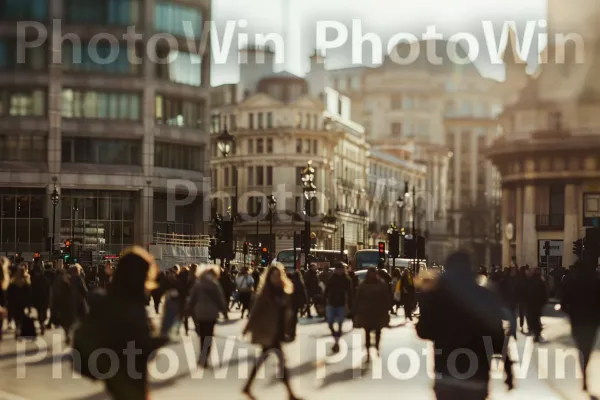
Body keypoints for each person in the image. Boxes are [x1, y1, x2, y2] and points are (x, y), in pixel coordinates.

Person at [416, 252, 504, 400]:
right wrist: (508, 370)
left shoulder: (438, 295)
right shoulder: (485, 294)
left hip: (446, 375)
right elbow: (498, 339)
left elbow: (423, 331)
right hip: (477, 378)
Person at [242, 263, 301, 400]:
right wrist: (247, 329)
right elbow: (255, 312)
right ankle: (290, 394)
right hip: (268, 331)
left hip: (279, 330)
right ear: (268, 277)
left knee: (264, 359)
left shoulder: (283, 291)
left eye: (277, 275)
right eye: (273, 275)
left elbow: (287, 312)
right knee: (280, 361)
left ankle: (247, 387)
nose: (275, 278)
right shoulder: (265, 293)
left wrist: (290, 329)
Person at [561, 260, 600, 392]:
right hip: (592, 320)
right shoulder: (595, 280)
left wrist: (568, 310)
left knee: (581, 347)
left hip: (577, 319)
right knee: (588, 347)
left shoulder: (571, 281)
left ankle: (583, 372)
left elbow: (564, 302)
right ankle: (585, 369)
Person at [188, 264, 228, 368]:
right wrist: (224, 311)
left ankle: (201, 356)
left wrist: (188, 310)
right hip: (211, 313)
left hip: (199, 312)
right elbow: (220, 298)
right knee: (209, 336)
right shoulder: (214, 284)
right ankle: (206, 357)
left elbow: (192, 298)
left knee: (201, 335)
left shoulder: (198, 283)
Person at [353, 267, 391, 363]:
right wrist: (355, 311)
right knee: (367, 333)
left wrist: (387, 309)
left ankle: (377, 348)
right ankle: (368, 352)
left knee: (378, 332)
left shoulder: (381, 284)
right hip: (366, 313)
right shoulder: (363, 285)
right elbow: (358, 298)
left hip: (378, 312)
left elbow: (386, 297)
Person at [324, 262, 353, 353]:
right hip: (331, 303)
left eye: (340, 269)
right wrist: (324, 300)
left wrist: (349, 305)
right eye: (337, 269)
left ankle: (336, 342)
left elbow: (350, 293)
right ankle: (335, 337)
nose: (338, 271)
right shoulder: (332, 278)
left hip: (341, 304)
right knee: (330, 323)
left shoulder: (346, 279)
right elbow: (327, 290)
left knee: (340, 324)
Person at [6, 264, 31, 340]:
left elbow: (8, 295)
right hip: (22, 303)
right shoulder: (26, 283)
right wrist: (29, 306)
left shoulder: (13, 283)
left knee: (16, 317)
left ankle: (17, 329)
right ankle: (18, 328)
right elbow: (29, 295)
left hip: (14, 303)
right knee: (20, 317)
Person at [525, 267, 548, 342]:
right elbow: (544, 292)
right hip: (537, 303)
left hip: (531, 302)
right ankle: (537, 332)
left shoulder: (530, 280)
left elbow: (526, 291)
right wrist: (543, 301)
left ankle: (535, 331)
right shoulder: (540, 280)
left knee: (532, 317)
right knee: (536, 317)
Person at [30, 263, 51, 335]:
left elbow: (32, 290)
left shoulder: (35, 279)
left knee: (40, 313)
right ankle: (42, 324)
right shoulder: (44, 279)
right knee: (42, 313)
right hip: (43, 299)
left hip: (39, 299)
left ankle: (41, 323)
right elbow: (48, 290)